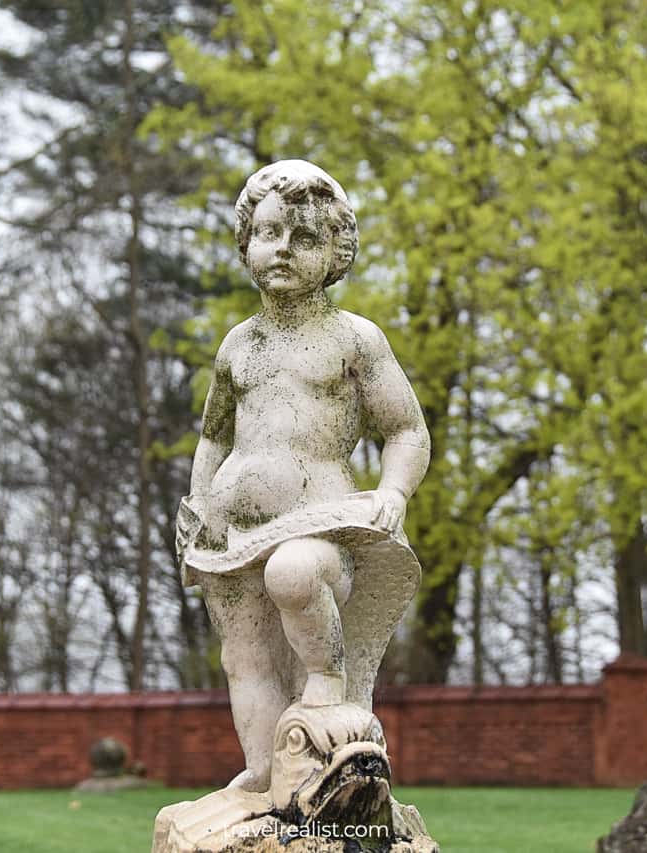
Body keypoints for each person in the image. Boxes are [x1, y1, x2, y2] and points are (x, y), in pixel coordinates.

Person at [177, 160, 429, 793]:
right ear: (246, 243)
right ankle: (265, 776)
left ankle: (328, 680)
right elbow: (213, 438)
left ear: (336, 251)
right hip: (232, 535)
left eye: (305, 238)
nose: (283, 249)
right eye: (269, 234)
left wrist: (394, 492)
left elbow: (407, 430)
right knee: (244, 656)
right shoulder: (238, 345)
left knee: (293, 573)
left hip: (320, 521)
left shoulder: (353, 339)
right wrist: (200, 505)